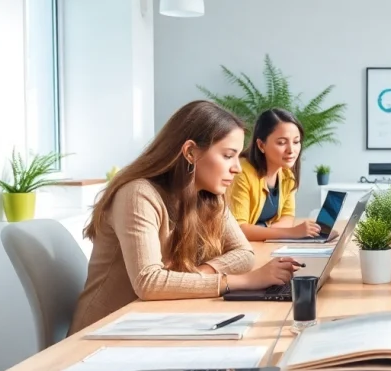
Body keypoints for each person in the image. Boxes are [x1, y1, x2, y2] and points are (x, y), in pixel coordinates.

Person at [69, 100, 301, 334]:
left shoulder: (209, 196)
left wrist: (193, 276)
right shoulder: (138, 194)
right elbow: (149, 283)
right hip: (103, 332)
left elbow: (244, 255)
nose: (237, 168)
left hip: (155, 321)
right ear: (190, 152)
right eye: (228, 155)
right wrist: (246, 281)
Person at [227, 108, 321, 241]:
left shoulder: (287, 175)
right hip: (238, 249)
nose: (291, 150)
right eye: (281, 142)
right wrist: (291, 233)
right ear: (261, 145)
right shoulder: (241, 173)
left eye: (296, 142)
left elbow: (287, 216)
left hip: (262, 245)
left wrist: (268, 233)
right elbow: (239, 230)